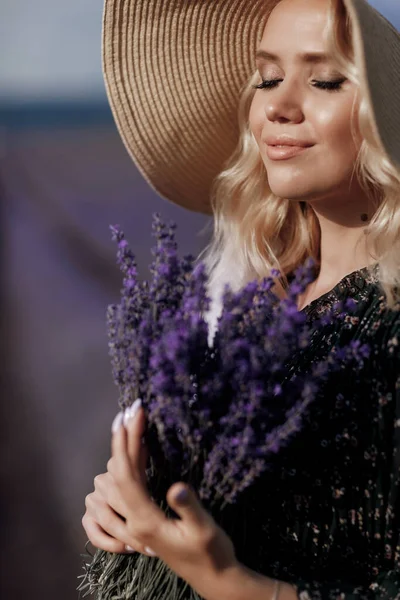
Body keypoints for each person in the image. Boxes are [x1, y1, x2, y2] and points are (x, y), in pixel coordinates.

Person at [82, 0, 400, 598]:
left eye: (325, 80)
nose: (278, 106)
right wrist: (134, 509)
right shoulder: (255, 309)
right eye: (267, 78)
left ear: (385, 113)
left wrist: (225, 581)